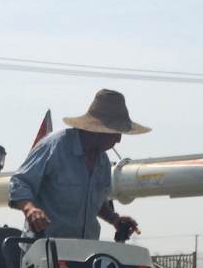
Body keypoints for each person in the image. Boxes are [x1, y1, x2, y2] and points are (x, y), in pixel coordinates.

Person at [8, 89, 150, 241]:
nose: (119, 140)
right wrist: (30, 209)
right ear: (99, 130)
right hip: (43, 248)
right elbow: (19, 182)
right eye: (117, 133)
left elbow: (94, 203)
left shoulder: (103, 163)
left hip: (84, 250)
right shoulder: (55, 146)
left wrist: (114, 219)